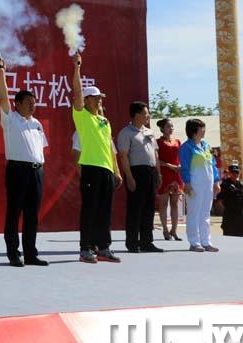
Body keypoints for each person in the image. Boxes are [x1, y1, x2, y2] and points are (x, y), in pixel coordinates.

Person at [0, 54, 49, 267]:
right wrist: (1, 72)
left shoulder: (37, 123)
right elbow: (3, 96)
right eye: (28, 102)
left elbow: (40, 149)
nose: (33, 105)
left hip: (37, 171)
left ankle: (30, 253)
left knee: (32, 215)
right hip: (17, 170)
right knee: (14, 212)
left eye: (34, 102)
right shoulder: (10, 119)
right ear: (17, 104)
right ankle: (13, 253)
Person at [71, 53, 123, 264]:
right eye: (96, 97)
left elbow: (110, 147)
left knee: (105, 211)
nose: (100, 100)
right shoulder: (82, 116)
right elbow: (76, 91)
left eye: (101, 97)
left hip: (107, 170)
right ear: (87, 100)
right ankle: (85, 249)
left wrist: (116, 171)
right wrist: (77, 67)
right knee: (90, 210)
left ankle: (103, 247)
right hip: (90, 168)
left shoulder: (104, 121)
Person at [117, 102, 163, 253]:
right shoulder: (126, 133)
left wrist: (158, 173)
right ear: (136, 115)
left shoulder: (150, 132)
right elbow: (123, 156)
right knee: (135, 208)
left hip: (151, 172)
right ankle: (132, 243)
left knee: (149, 208)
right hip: (136, 172)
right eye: (145, 113)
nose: (148, 116)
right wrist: (129, 177)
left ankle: (146, 242)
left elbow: (155, 154)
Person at [178, 118, 220, 252]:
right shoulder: (186, 147)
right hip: (194, 184)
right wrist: (187, 183)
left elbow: (213, 164)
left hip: (208, 184)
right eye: (202, 128)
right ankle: (194, 242)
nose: (204, 131)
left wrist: (216, 181)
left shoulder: (206, 145)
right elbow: (184, 167)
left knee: (205, 213)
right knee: (194, 213)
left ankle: (206, 242)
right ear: (194, 130)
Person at [155, 118, 183, 241]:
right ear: (162, 128)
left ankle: (174, 230)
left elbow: (180, 157)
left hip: (176, 174)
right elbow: (156, 160)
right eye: (168, 126)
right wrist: (169, 165)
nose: (171, 128)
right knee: (164, 203)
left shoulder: (177, 142)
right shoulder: (158, 142)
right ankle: (165, 230)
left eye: (172, 126)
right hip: (164, 173)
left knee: (175, 203)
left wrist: (180, 165)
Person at [216, 160, 243, 237]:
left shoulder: (241, 185)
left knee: (241, 237)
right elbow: (219, 200)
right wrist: (224, 210)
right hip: (229, 215)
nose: (235, 174)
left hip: (240, 215)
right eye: (233, 172)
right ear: (229, 173)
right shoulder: (225, 184)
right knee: (229, 236)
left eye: (237, 172)